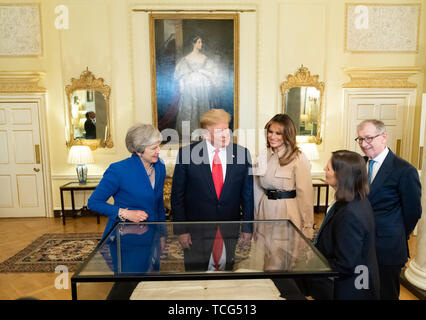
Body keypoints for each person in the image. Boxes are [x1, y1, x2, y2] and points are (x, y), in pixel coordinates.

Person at [171, 108, 253, 271]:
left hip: (229, 228)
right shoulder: (187, 154)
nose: (226, 134)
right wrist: (181, 231)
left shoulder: (242, 154)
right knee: (196, 274)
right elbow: (177, 197)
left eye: (227, 129)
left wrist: (247, 227)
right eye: (220, 131)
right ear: (205, 134)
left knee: (225, 270)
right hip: (197, 229)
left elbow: (248, 195)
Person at [356, 119, 422, 300]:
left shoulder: (404, 170)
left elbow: (413, 212)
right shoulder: (359, 165)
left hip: (387, 248)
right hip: (359, 245)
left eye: (368, 138)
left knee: (385, 294)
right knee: (361, 292)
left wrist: (398, 234)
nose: (363, 144)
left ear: (384, 137)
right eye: (360, 139)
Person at [311, 150, 380, 300]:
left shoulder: (350, 213)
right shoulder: (353, 199)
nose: (324, 169)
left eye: (328, 168)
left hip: (350, 288)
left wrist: (314, 265)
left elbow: (345, 263)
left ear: (341, 175)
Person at [88, 124, 166, 239]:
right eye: (154, 148)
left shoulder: (160, 166)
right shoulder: (118, 170)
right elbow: (93, 203)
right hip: (126, 236)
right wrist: (125, 213)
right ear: (139, 151)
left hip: (152, 235)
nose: (159, 151)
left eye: (159, 146)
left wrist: (162, 235)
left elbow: (159, 203)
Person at [253, 114, 314, 239]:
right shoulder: (263, 156)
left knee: (283, 254)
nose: (272, 136)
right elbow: (256, 189)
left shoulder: (298, 157)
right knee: (264, 252)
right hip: (264, 210)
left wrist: (307, 227)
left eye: (278, 133)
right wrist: (255, 217)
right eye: (270, 132)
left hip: (286, 212)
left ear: (287, 135)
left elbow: (305, 195)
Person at [174, 35, 219, 138]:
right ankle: (189, 133)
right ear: (193, 44)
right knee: (189, 107)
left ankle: (203, 133)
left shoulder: (204, 58)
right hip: (190, 85)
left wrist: (203, 73)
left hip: (201, 85)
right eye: (199, 42)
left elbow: (213, 71)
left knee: (202, 106)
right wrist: (183, 82)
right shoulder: (186, 59)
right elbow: (179, 73)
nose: (201, 44)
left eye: (201, 42)